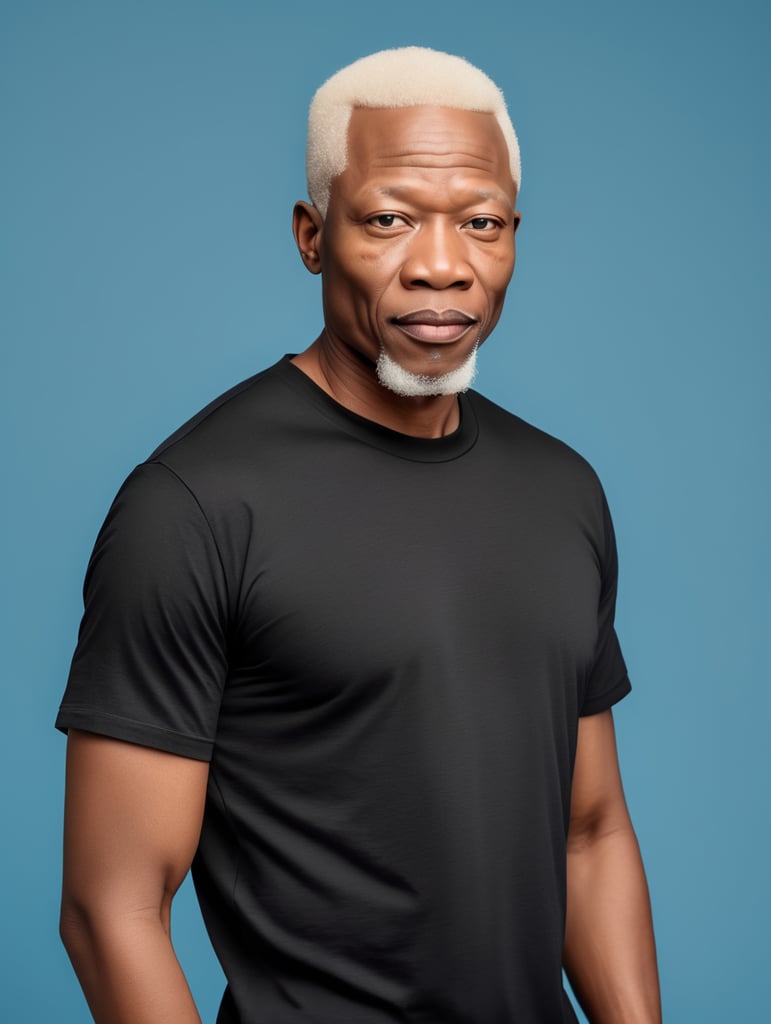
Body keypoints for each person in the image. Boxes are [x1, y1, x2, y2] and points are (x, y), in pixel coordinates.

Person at [57, 46, 661, 1024]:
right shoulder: (195, 505)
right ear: (312, 235)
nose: (441, 264)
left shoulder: (563, 490)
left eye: (481, 222)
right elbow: (109, 908)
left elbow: (588, 835)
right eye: (389, 218)